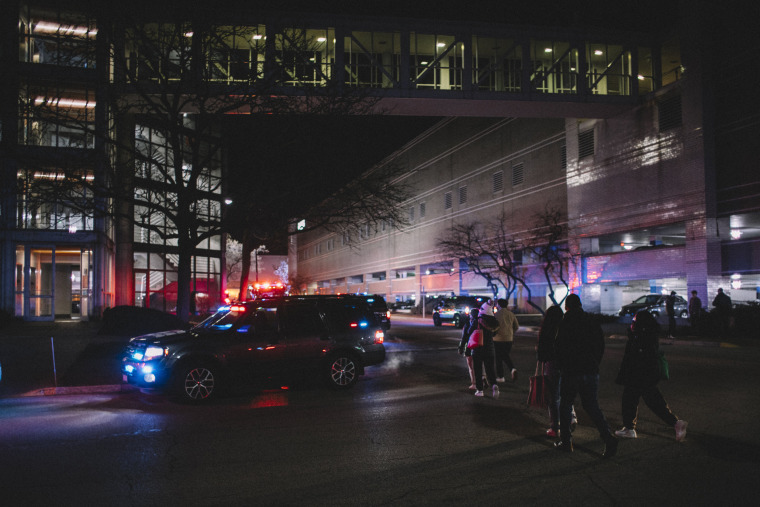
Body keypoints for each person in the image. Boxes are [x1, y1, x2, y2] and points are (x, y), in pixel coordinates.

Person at [553, 293, 618, 458]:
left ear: (567, 306)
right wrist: (595, 363)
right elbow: (600, 345)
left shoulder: (565, 322)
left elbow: (559, 347)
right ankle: (608, 437)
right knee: (591, 406)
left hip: (571, 371)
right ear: (580, 304)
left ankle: (566, 442)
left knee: (566, 405)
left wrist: (561, 366)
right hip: (590, 369)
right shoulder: (591, 321)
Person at [615, 310, 688, 442]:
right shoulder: (647, 335)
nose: (632, 322)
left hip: (639, 375)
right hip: (644, 375)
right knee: (646, 401)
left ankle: (631, 428)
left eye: (635, 321)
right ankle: (630, 428)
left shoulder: (641, 337)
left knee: (640, 401)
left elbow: (634, 357)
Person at [537, 304, 576, 439]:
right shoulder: (567, 327)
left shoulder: (546, 329)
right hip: (568, 364)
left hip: (552, 364)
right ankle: (571, 417)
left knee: (553, 397)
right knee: (566, 393)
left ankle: (555, 427)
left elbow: (542, 351)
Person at [459, 308, 499, 398]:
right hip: (490, 349)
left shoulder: (477, 321)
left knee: (478, 369)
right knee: (490, 369)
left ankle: (480, 390)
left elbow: (469, 332)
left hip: (478, 349)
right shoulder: (492, 322)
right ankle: (494, 385)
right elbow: (494, 334)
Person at [493, 298, 519, 382]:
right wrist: (511, 332)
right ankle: (512, 369)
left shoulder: (496, 315)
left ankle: (501, 376)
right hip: (509, 339)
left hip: (497, 339)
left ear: (499, 305)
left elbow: (493, 327)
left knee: (498, 358)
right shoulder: (511, 314)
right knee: (505, 355)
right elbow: (516, 326)